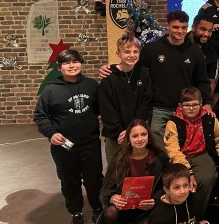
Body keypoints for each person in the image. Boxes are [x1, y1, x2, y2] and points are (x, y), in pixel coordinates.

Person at [99, 10, 213, 145]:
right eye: (175, 27)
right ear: (168, 26)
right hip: (159, 108)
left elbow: (203, 81)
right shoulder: (152, 49)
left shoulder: (195, 52)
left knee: (184, 144)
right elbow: (132, 65)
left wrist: (206, 103)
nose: (180, 31)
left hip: (184, 108)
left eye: (183, 27)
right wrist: (111, 68)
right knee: (158, 147)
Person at [34, 49, 103, 224]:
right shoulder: (50, 90)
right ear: (59, 67)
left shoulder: (92, 85)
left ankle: (97, 208)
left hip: (90, 143)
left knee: (94, 178)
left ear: (81, 63)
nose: (72, 66)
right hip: (64, 145)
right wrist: (51, 133)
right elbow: (40, 116)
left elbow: (103, 109)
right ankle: (76, 212)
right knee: (69, 180)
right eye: (66, 63)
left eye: (75, 61)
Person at [164, 87, 219, 220]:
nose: (191, 108)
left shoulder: (209, 119)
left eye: (195, 104)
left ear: (201, 104)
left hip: (202, 154)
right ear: (180, 106)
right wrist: (189, 172)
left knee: (207, 178)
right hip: (181, 157)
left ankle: (197, 216)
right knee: (183, 182)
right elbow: (172, 149)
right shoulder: (173, 122)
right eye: (187, 105)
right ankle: (179, 216)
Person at [99, 119, 169, 224]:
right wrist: (112, 198)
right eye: (135, 136)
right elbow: (105, 189)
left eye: (143, 134)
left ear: (149, 136)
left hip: (148, 207)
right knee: (110, 212)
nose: (140, 139)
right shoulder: (118, 159)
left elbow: (167, 186)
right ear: (128, 139)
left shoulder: (160, 157)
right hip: (124, 207)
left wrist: (155, 199)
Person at [99, 35, 152, 167]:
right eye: (127, 51)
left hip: (137, 132)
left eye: (135, 51)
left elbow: (145, 102)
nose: (131, 55)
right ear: (118, 53)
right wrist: (119, 132)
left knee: (137, 169)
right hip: (116, 135)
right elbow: (106, 108)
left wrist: (133, 129)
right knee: (116, 170)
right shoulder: (109, 77)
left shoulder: (143, 73)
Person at [187, 14, 218, 98]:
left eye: (210, 31)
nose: (206, 34)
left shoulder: (211, 52)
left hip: (199, 96)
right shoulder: (180, 44)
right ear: (193, 27)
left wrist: (204, 102)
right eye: (203, 29)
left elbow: (211, 82)